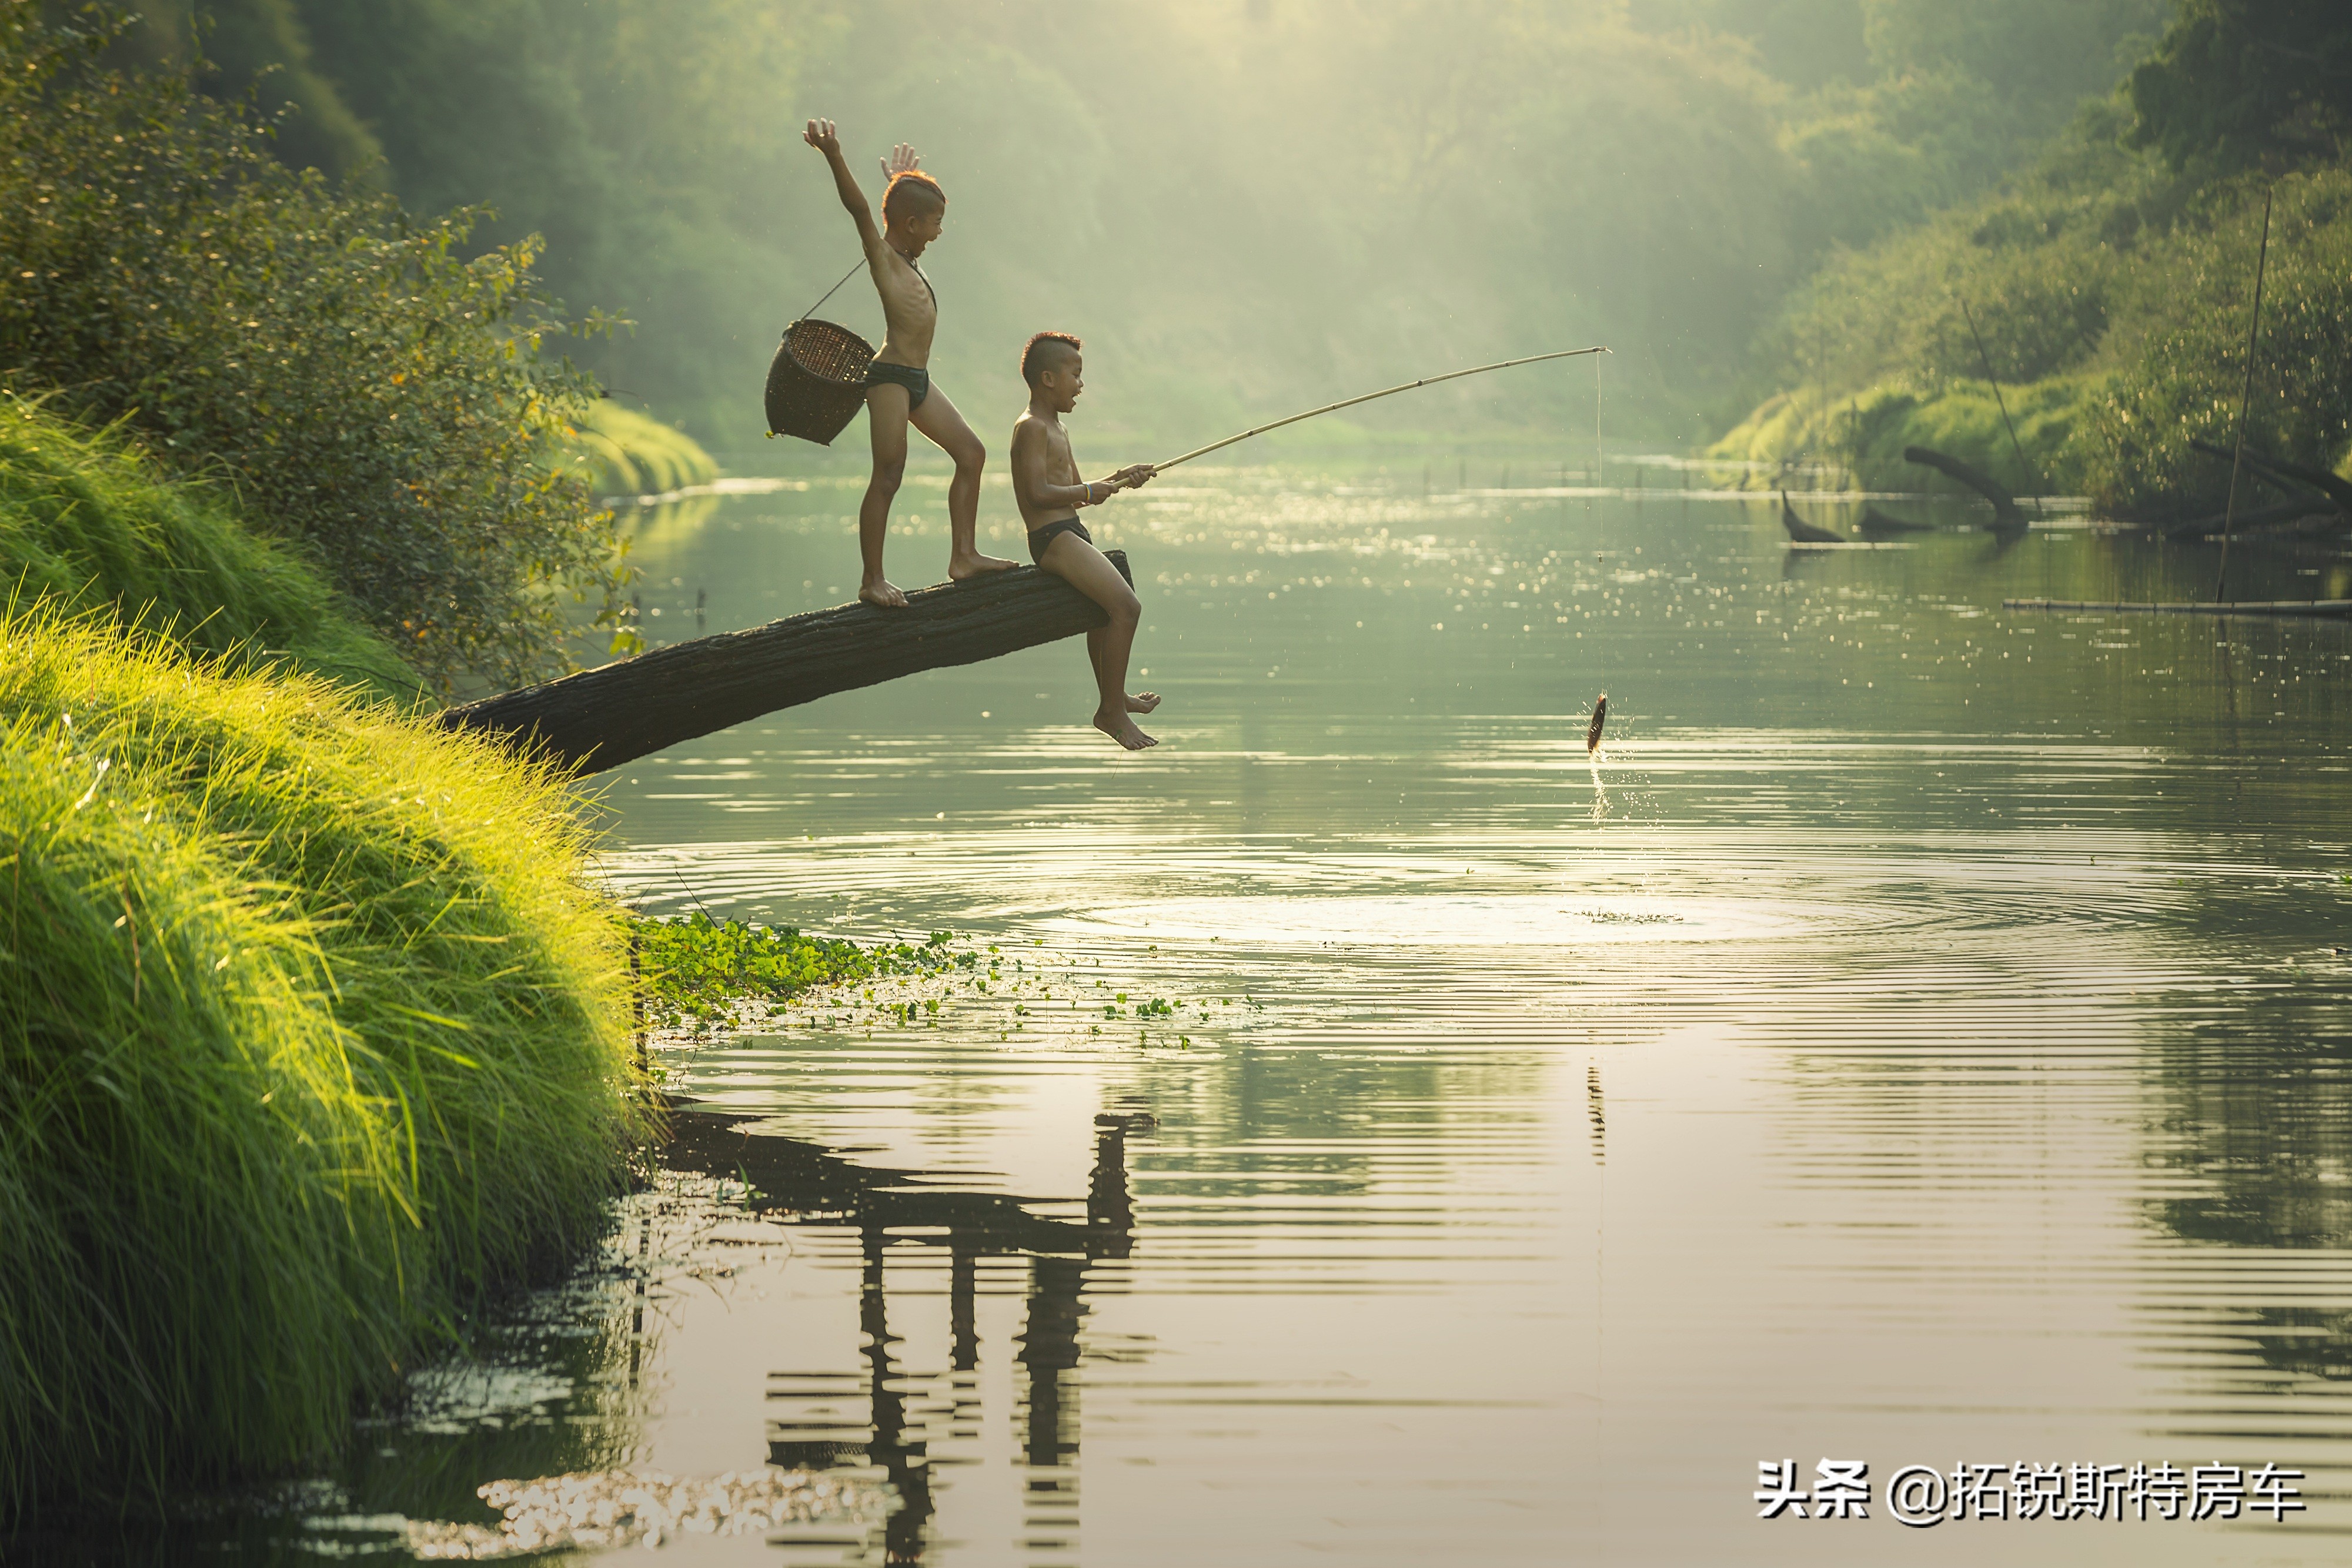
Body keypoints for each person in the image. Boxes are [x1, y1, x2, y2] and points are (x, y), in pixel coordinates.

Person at [803, 118, 1013, 607]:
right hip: (890, 379)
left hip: (918, 379)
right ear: (913, 225)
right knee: (889, 473)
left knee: (972, 454)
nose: (939, 233)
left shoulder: (909, 252)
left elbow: (902, 218)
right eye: (935, 224)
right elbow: (860, 211)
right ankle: (871, 580)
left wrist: (899, 186)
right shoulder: (883, 257)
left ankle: (964, 556)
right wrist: (834, 153)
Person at [1009, 331, 1161, 749]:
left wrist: (1120, 479)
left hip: (1071, 530)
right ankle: (1110, 710)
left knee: (1104, 611)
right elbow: (1037, 493)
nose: (1081, 384)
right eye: (1074, 374)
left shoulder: (1057, 427)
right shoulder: (1031, 428)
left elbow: (1078, 488)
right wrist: (1090, 490)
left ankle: (1115, 697)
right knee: (1127, 607)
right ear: (1047, 379)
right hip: (1051, 537)